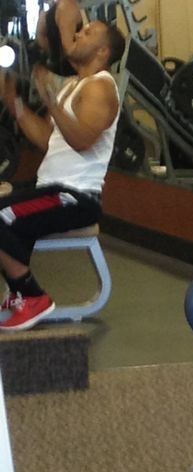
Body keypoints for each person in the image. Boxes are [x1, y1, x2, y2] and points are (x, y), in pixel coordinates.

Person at [0, 19, 125, 332]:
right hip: (51, 190)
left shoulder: (101, 86)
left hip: (76, 197)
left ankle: (31, 296)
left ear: (103, 51)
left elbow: (83, 140)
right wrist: (14, 103)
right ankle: (17, 292)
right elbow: (46, 139)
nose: (78, 34)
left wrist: (51, 102)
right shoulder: (73, 86)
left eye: (88, 33)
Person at [35, 0, 84, 77]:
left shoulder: (50, 11)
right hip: (69, 73)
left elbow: (40, 38)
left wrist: (53, 55)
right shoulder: (67, 7)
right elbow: (68, 48)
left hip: (56, 69)